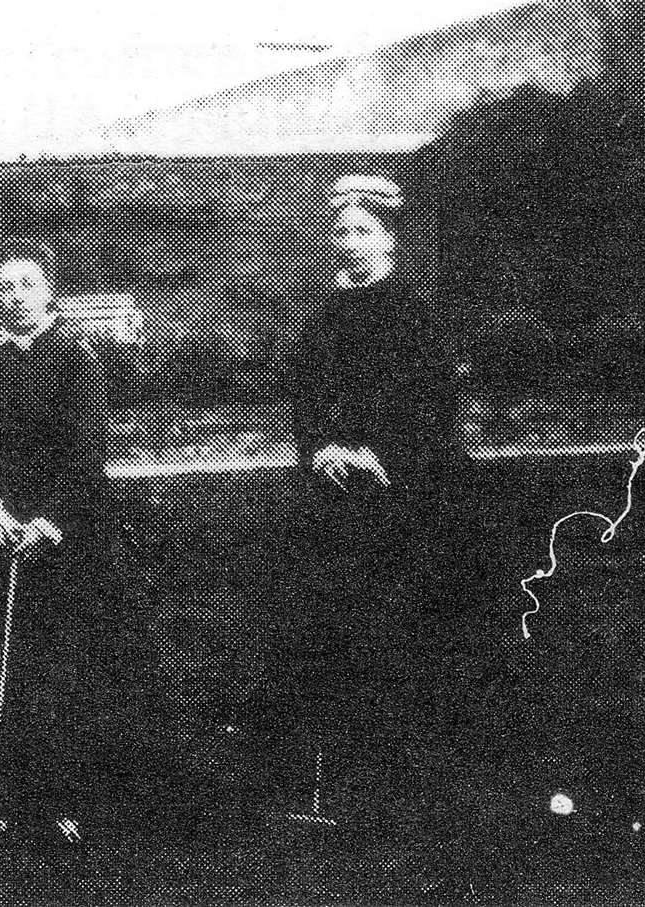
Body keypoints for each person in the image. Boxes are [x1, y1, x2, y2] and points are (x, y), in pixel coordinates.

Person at [0, 239, 185, 899]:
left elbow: (86, 451)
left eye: (27, 284)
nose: (14, 295)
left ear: (49, 293)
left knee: (66, 663)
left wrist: (46, 522)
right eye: (3, 286)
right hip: (0, 530)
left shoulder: (75, 357)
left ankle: (65, 797)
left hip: (68, 533)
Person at [257, 173, 474, 887]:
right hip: (334, 501)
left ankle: (410, 796)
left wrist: (379, 453)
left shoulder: (415, 317)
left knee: (402, 638)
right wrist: (321, 446)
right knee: (336, 636)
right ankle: (346, 791)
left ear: (389, 239)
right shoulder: (324, 320)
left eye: (363, 231)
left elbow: (431, 406)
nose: (349, 242)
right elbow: (308, 398)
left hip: (403, 505)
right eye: (340, 231)